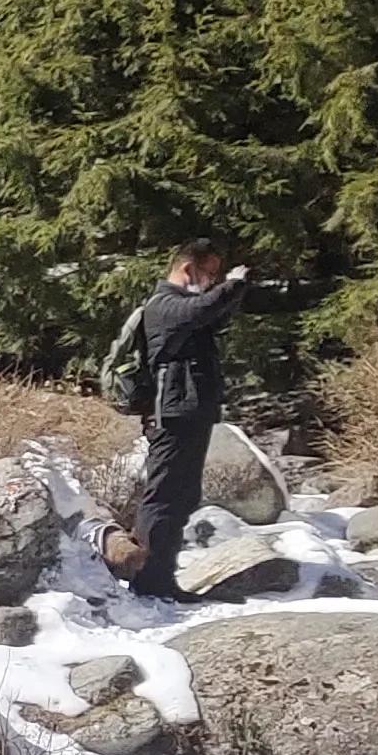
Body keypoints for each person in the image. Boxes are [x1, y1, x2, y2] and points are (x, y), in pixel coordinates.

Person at [121, 239, 252, 599]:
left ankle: (162, 578)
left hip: (187, 413)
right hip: (171, 415)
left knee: (181, 496)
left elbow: (213, 315)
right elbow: (200, 310)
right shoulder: (164, 305)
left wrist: (235, 290)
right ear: (188, 269)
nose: (211, 281)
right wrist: (231, 285)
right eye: (208, 273)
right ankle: (147, 580)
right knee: (163, 496)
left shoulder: (184, 308)